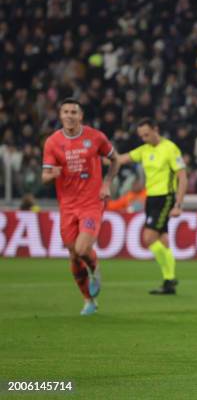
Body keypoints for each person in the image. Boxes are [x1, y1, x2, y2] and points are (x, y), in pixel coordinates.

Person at [42, 98, 119, 315]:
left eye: (73, 112)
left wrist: (106, 183)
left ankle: (95, 268)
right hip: (67, 205)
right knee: (73, 255)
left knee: (82, 248)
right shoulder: (52, 142)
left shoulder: (96, 137)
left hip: (92, 202)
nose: (69, 115)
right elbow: (45, 175)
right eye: (65, 111)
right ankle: (88, 300)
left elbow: (115, 160)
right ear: (60, 115)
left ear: (80, 116)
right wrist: (52, 175)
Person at [116, 119, 187, 295]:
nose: (144, 138)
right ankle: (169, 281)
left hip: (165, 198)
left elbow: (182, 177)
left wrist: (178, 204)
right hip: (151, 199)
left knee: (148, 237)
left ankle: (169, 278)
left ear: (156, 129)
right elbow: (121, 159)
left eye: (147, 134)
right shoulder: (144, 150)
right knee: (162, 239)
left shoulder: (170, 148)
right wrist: (101, 155)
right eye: (141, 136)